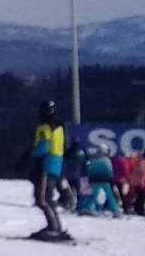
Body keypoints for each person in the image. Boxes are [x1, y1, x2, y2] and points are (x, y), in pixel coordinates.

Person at [29, 99, 72, 241]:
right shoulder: (59, 127)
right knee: (47, 197)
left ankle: (53, 228)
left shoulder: (45, 127)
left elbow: (43, 147)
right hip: (56, 164)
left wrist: (31, 154)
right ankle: (55, 226)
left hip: (45, 165)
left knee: (43, 199)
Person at [77, 149, 121, 216]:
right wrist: (111, 179)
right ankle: (115, 210)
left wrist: (91, 179)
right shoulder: (106, 160)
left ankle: (87, 208)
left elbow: (90, 170)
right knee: (109, 196)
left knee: (93, 195)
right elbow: (109, 171)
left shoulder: (93, 160)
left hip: (95, 181)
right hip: (104, 180)